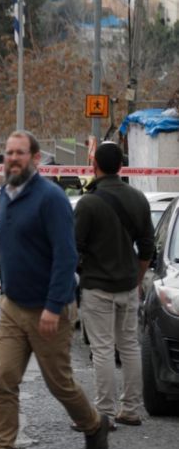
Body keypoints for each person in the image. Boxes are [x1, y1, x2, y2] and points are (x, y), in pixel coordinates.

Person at [0, 130, 108, 449]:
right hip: (13, 306)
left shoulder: (50, 198)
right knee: (3, 377)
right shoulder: (6, 194)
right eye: (8, 152)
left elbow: (66, 256)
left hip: (48, 309)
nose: (12, 158)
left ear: (35, 159)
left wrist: (54, 306)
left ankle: (95, 426)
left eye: (20, 153)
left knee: (60, 385)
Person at [74, 142, 154, 428]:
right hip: (128, 285)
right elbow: (147, 247)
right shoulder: (138, 198)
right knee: (130, 346)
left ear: (94, 166)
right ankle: (131, 409)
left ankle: (104, 413)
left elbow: (75, 248)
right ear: (121, 166)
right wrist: (137, 277)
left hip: (97, 286)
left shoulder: (88, 202)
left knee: (103, 349)